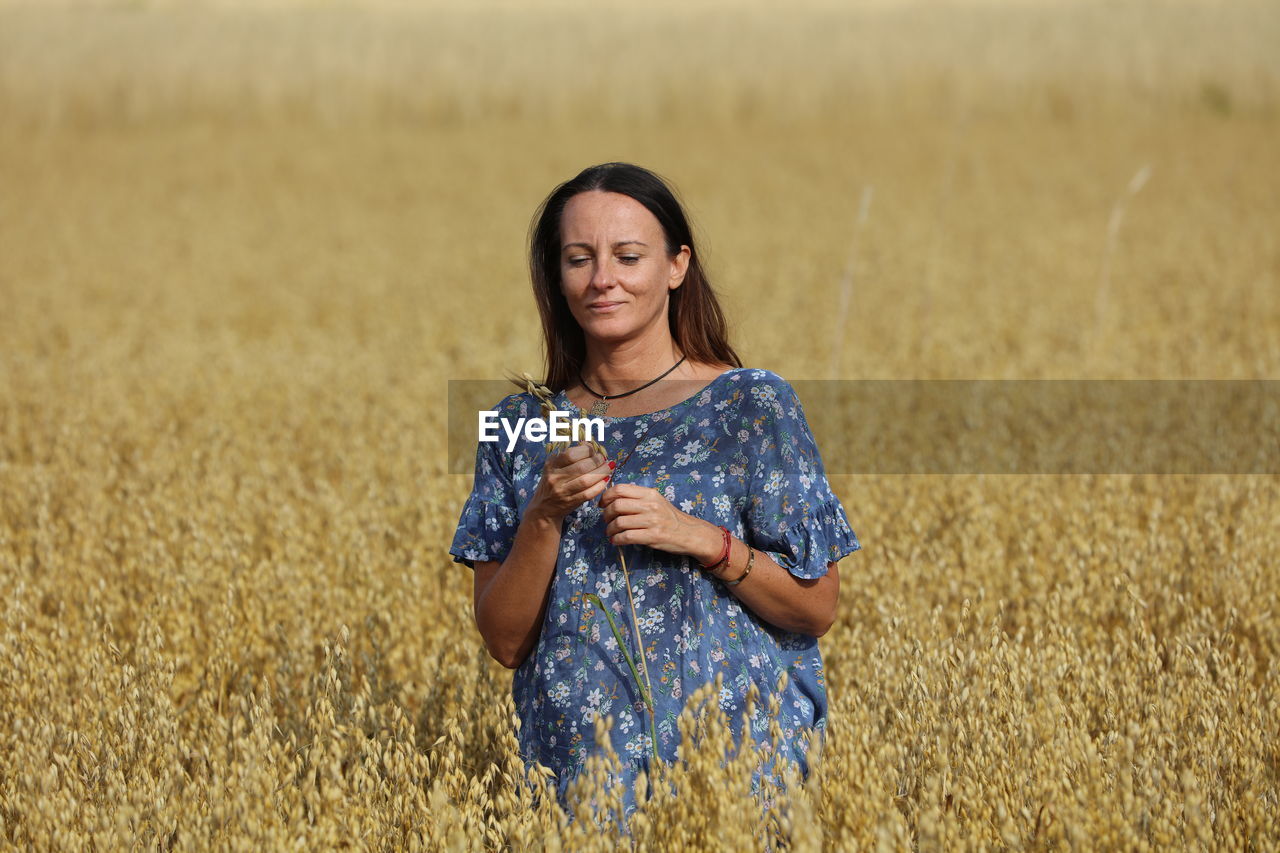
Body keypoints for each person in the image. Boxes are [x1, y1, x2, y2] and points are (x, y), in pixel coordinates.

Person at [449, 162, 860, 817]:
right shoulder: (518, 426)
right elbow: (504, 641)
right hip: (581, 786)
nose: (603, 278)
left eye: (628, 255)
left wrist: (700, 537)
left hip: (732, 782)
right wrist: (545, 513)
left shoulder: (752, 404)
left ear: (677, 265)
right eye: (578, 258)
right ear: (556, 277)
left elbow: (817, 608)